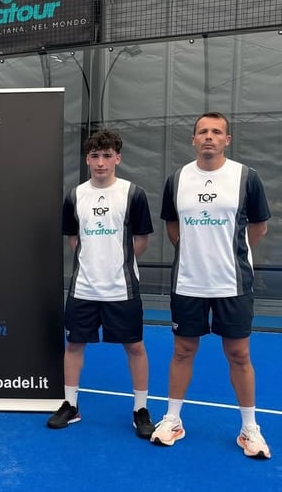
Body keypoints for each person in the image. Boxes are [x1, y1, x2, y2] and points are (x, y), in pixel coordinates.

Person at [151, 112, 272, 459]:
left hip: (232, 283)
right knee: (182, 351)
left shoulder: (246, 178)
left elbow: (258, 228)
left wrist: (230, 256)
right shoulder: (177, 180)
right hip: (188, 282)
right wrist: (195, 253)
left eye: (216, 131)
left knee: (239, 354)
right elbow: (173, 227)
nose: (209, 136)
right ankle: (172, 420)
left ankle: (250, 429)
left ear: (227, 140)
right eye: (202, 131)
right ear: (193, 139)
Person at [47, 130, 156, 439]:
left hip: (122, 288)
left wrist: (114, 263)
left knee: (135, 346)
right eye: (95, 156)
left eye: (107, 156)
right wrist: (93, 263)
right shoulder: (75, 195)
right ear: (87, 159)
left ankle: (140, 409)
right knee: (74, 345)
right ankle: (70, 405)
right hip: (83, 287)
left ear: (117, 158)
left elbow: (142, 241)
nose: (101, 162)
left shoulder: (133, 193)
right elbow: (73, 239)